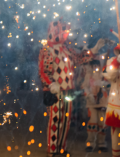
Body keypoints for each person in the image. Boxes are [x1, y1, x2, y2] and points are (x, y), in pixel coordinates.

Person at [38, 18, 106, 157]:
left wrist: (94, 50)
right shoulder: (47, 50)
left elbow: (80, 58)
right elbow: (44, 71)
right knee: (55, 120)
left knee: (65, 121)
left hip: (68, 90)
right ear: (55, 31)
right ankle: (52, 149)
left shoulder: (67, 49)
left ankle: (61, 147)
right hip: (55, 92)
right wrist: (51, 84)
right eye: (63, 31)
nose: (66, 34)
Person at [82, 52, 109, 152]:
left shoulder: (104, 75)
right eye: (94, 65)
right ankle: (90, 142)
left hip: (102, 102)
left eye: (97, 64)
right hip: (92, 103)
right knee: (92, 122)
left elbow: (109, 85)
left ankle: (102, 142)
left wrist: (104, 84)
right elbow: (85, 87)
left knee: (102, 122)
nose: (95, 67)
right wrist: (89, 95)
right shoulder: (89, 76)